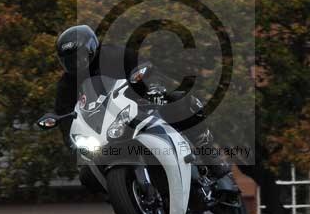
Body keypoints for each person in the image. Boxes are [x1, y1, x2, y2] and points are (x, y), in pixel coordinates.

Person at [53, 24, 228, 188]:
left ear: (91, 49)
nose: (75, 64)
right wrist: (72, 142)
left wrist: (154, 87)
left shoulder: (115, 55)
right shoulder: (66, 85)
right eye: (68, 61)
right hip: (107, 130)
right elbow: (65, 115)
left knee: (177, 101)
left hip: (140, 106)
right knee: (87, 176)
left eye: (78, 57)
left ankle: (209, 155)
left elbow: (145, 67)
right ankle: (122, 197)